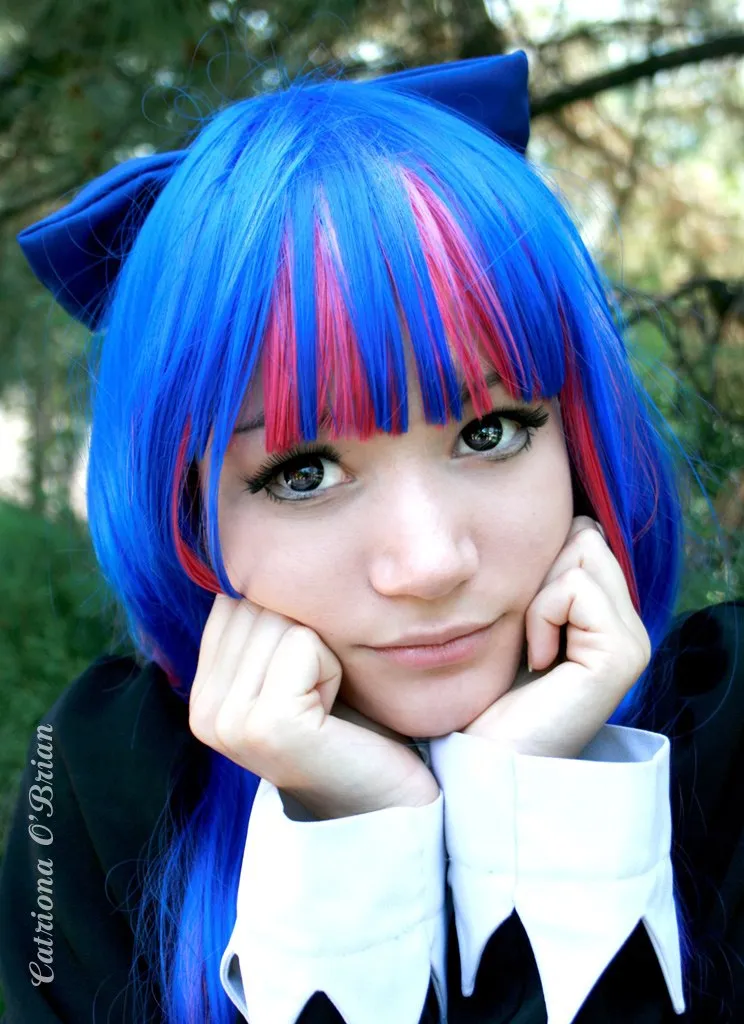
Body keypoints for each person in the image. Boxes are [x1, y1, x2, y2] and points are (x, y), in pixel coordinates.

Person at [0, 50, 741, 1024]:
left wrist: (536, 809)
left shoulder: (728, 730)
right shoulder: (102, 786)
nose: (429, 564)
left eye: (490, 431)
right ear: (190, 514)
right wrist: (355, 837)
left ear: (577, 432)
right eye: (302, 472)